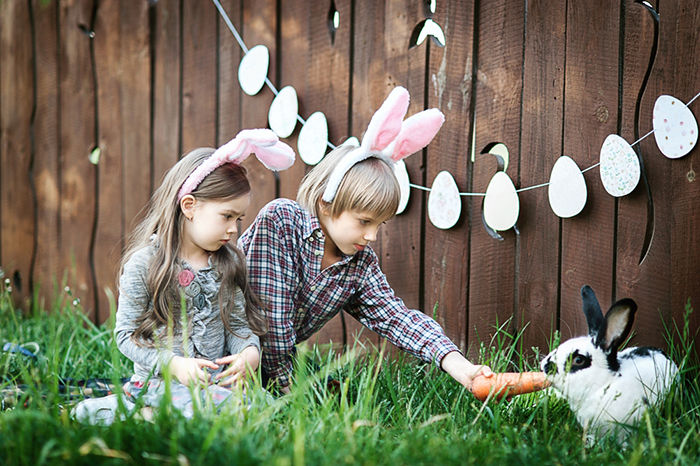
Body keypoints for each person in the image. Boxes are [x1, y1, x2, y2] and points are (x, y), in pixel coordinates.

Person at [238, 87, 494, 395]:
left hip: (272, 363)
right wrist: (287, 390)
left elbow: (396, 317)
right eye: (364, 221)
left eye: (380, 223)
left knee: (338, 393)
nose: (372, 236)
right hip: (217, 346)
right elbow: (271, 319)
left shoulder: (358, 265)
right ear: (326, 203)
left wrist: (459, 365)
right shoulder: (281, 223)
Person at [72, 129, 295, 424]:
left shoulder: (228, 263)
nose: (234, 229)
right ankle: (139, 413)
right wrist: (174, 364)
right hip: (160, 383)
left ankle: (150, 418)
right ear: (189, 206)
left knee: (266, 409)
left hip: (215, 385)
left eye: (238, 219)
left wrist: (248, 353)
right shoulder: (145, 265)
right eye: (227, 216)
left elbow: (239, 326)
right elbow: (126, 336)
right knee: (215, 414)